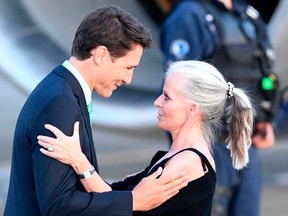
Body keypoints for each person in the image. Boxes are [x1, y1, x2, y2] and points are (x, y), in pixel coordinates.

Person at [4, 5, 190, 216]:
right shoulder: (60, 104)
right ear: (101, 54)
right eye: (128, 68)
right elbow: (59, 205)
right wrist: (133, 201)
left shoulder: (63, 91)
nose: (128, 80)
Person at [37, 60, 255, 215]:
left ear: (193, 110)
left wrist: (78, 161)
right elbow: (119, 198)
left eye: (167, 97)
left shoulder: (187, 164)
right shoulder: (177, 157)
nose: (157, 102)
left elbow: (123, 208)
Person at [160, 0, 278, 215]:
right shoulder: (190, 16)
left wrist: (265, 121)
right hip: (210, 143)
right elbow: (178, 87)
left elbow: (263, 72)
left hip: (246, 139)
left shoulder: (247, 14)